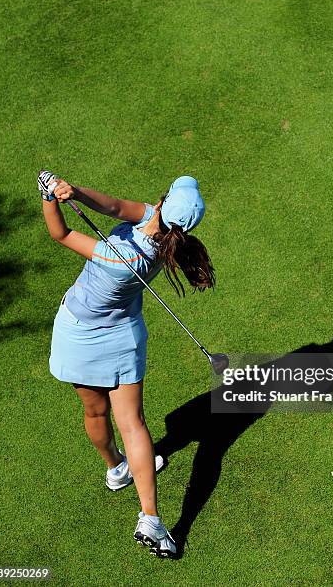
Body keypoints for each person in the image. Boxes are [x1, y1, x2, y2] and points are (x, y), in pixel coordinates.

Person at [38, 170, 215, 559]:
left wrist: (48, 196)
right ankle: (148, 515)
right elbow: (115, 206)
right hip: (122, 334)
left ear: (167, 204)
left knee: (96, 411)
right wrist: (74, 191)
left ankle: (117, 469)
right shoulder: (161, 229)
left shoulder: (124, 258)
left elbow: (62, 235)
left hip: (80, 334)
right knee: (133, 423)